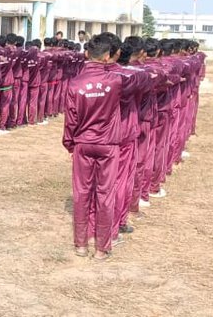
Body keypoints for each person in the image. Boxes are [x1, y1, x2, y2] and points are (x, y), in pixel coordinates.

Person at [63, 32, 144, 260]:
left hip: (83, 143)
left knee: (81, 193)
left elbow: (71, 119)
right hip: (108, 145)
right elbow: (141, 77)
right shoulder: (117, 81)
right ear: (109, 57)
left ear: (87, 53)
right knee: (105, 194)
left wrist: (71, 144)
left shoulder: (75, 83)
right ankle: (102, 248)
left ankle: (80, 244)